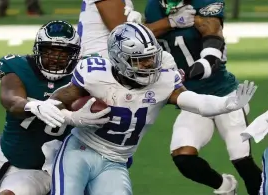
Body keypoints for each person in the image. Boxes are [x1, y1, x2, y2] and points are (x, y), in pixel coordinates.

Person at [47, 22, 256, 195]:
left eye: (151, 57)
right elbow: (56, 102)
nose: (150, 64)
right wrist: (72, 117)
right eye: (141, 60)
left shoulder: (164, 80)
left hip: (116, 161)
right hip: (80, 150)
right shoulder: (95, 74)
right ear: (120, 60)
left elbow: (195, 101)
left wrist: (225, 104)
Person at [0, 20, 109, 195]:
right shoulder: (18, 66)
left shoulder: (88, 72)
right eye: (49, 51)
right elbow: (11, 100)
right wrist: (33, 106)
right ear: (38, 50)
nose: (55, 58)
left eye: (63, 53)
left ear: (75, 54)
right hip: (5, 151)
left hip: (44, 165)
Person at [144, 0, 262, 194]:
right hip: (194, 99)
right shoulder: (153, 6)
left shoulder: (205, 2)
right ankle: (226, 187)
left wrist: (204, 64)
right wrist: (170, 22)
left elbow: (212, 34)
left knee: (241, 159)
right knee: (184, 158)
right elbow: (142, 36)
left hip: (225, 94)